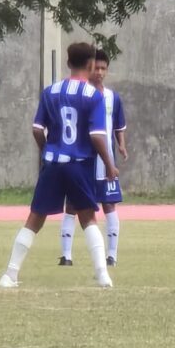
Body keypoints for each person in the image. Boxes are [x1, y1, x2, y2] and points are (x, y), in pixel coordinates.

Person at [0, 42, 117, 288]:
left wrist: (46, 149)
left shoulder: (50, 91)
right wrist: (109, 163)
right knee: (88, 218)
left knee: (34, 219)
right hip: (78, 164)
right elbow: (97, 135)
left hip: (53, 164)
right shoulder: (92, 96)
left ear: (67, 63)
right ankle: (103, 275)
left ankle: (9, 274)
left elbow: (37, 129)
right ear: (91, 64)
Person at [59, 50, 127, 267]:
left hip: (105, 163)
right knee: (72, 207)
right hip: (81, 162)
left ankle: (112, 255)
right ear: (89, 69)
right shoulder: (80, 95)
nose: (99, 72)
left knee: (109, 206)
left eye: (103, 68)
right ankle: (66, 256)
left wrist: (121, 145)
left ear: (107, 70)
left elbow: (118, 126)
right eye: (95, 67)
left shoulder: (112, 98)